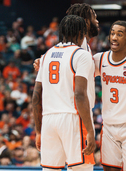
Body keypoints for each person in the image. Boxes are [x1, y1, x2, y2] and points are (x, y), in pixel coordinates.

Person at [32, 15, 96, 171]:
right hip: (71, 118)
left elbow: (35, 97)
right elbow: (80, 95)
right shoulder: (81, 54)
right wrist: (90, 130)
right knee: (82, 168)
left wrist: (39, 131)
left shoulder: (46, 55)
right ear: (81, 33)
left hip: (48, 120)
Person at [93, 20, 126, 171]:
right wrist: (42, 62)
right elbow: (77, 71)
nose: (114, 37)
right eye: (112, 33)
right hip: (108, 126)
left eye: (119, 34)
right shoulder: (100, 59)